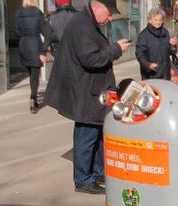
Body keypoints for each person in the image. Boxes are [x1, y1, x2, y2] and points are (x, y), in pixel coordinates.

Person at [43, 0, 132, 194]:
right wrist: (115, 49)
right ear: (98, 6)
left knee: (98, 134)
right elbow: (91, 58)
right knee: (86, 135)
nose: (109, 19)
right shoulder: (81, 24)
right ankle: (83, 180)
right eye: (108, 14)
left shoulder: (86, 22)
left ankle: (97, 173)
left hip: (92, 89)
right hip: (85, 91)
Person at [15, 0, 51, 114]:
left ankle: (33, 96)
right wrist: (44, 51)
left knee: (31, 73)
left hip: (24, 46)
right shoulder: (37, 12)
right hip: (35, 46)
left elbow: (16, 32)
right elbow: (48, 33)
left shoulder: (19, 13)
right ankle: (33, 98)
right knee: (35, 75)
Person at [135, 8, 178, 81]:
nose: (158, 22)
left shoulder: (165, 33)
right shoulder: (144, 36)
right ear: (150, 20)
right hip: (151, 75)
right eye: (156, 20)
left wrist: (173, 46)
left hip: (165, 74)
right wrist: (148, 65)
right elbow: (140, 54)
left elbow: (170, 52)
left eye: (160, 20)